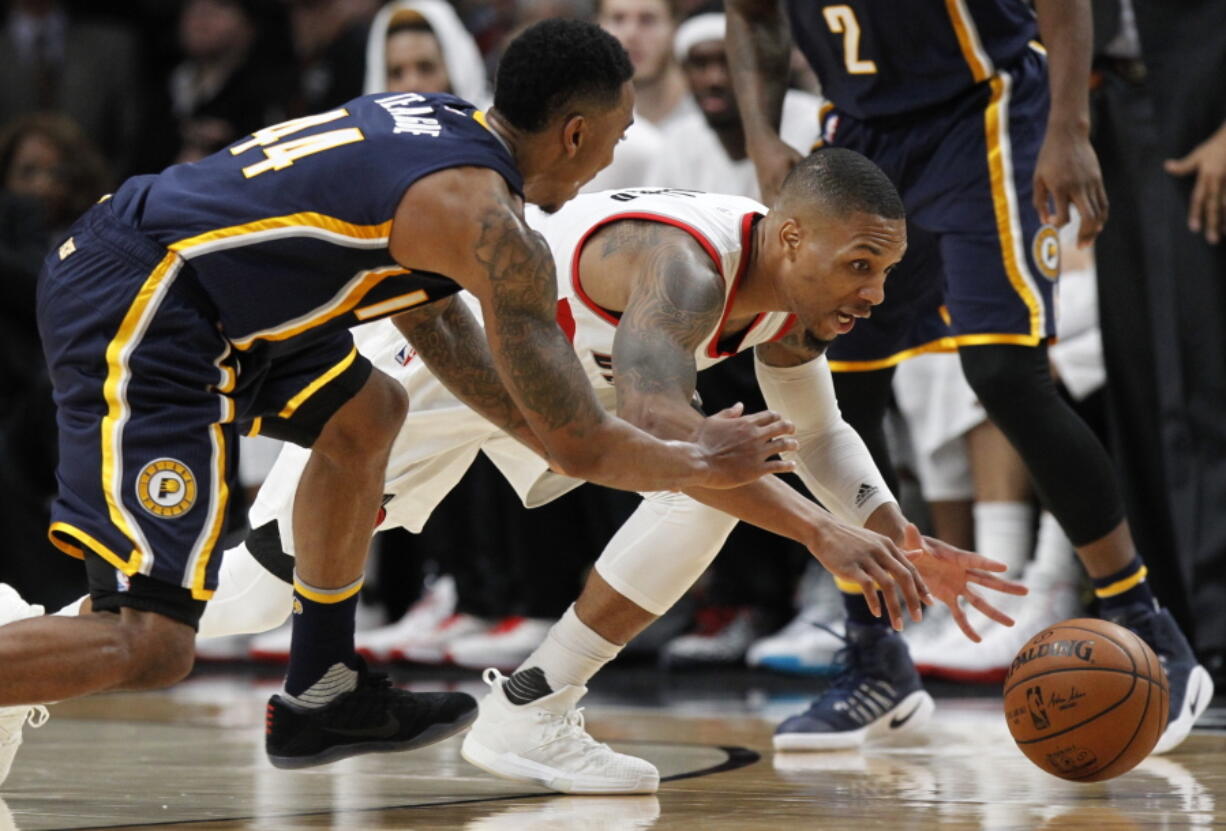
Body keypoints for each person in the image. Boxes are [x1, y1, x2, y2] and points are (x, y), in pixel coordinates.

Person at [35, 151, 1025, 795]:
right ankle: (20, 647)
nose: (874, 292)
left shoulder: (785, 295)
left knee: (716, 491)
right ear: (794, 237)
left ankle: (533, 710)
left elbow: (818, 431)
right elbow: (658, 425)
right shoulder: (685, 270)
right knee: (241, 600)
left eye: (883, 272)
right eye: (860, 265)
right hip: (441, 367)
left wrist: (893, 538)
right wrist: (821, 534)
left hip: (549, 389)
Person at [0, 19, 799, 785]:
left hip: (215, 297)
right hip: (150, 300)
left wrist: (542, 428)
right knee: (154, 641)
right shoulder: (488, 221)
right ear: (576, 133)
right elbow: (582, 446)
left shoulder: (445, 132)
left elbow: (431, 317)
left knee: (368, 413)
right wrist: (698, 458)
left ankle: (320, 689)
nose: (615, 155)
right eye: (617, 134)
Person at [726, 0, 1213, 752]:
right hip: (859, 133)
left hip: (984, 113)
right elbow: (752, 16)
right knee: (833, 388)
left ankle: (1143, 621)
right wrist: (762, 139)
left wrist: (1069, 124)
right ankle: (876, 654)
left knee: (1005, 374)